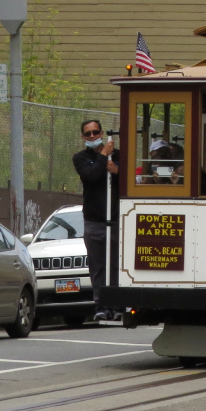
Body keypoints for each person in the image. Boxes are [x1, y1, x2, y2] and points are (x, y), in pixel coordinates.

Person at [72, 119, 122, 321]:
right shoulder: (80, 158)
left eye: (95, 132)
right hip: (94, 221)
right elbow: (91, 176)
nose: (92, 136)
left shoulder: (118, 156)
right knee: (98, 266)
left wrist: (117, 172)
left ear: (101, 133)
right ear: (83, 137)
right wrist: (102, 155)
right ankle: (101, 305)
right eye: (88, 134)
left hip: (116, 220)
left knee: (116, 264)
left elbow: (130, 182)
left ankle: (118, 305)